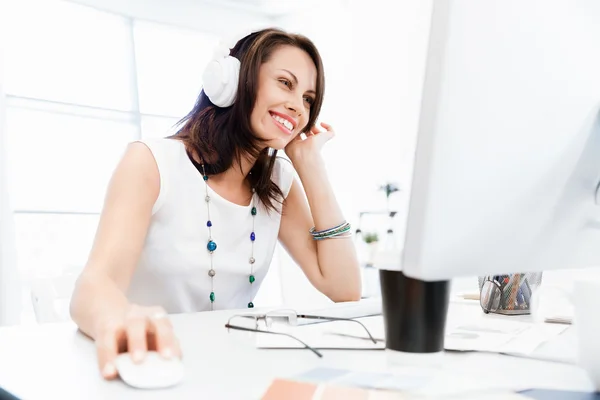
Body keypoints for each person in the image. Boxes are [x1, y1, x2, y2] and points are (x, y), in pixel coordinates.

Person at [69, 27, 361, 380]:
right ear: (235, 81)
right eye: (285, 83)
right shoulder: (151, 162)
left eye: (309, 99)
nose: (298, 107)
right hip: (154, 364)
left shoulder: (278, 182)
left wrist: (311, 165)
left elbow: (343, 288)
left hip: (230, 369)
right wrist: (119, 320)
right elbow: (94, 286)